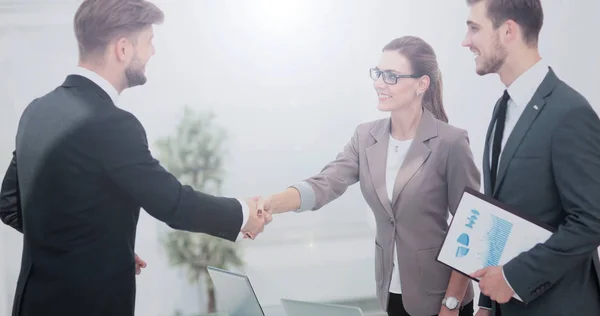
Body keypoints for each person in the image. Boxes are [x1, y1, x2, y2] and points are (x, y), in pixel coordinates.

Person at [0, 1, 270, 315]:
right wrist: (241, 214)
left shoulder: (36, 112)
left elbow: (8, 204)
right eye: (149, 42)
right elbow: (173, 204)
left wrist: (100, 251)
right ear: (123, 49)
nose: (152, 52)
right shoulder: (112, 124)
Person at [249, 36, 480, 316]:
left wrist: (452, 303)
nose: (380, 83)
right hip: (391, 293)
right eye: (379, 73)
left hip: (441, 299)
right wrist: (270, 204)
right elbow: (325, 183)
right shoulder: (365, 137)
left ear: (422, 84)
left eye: (392, 76)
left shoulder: (450, 143)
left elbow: (471, 227)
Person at [460, 1, 600, 315]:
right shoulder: (503, 107)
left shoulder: (570, 113)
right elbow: (499, 213)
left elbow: (592, 221)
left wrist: (513, 277)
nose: (465, 41)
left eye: (474, 28)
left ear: (508, 30)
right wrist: (486, 302)